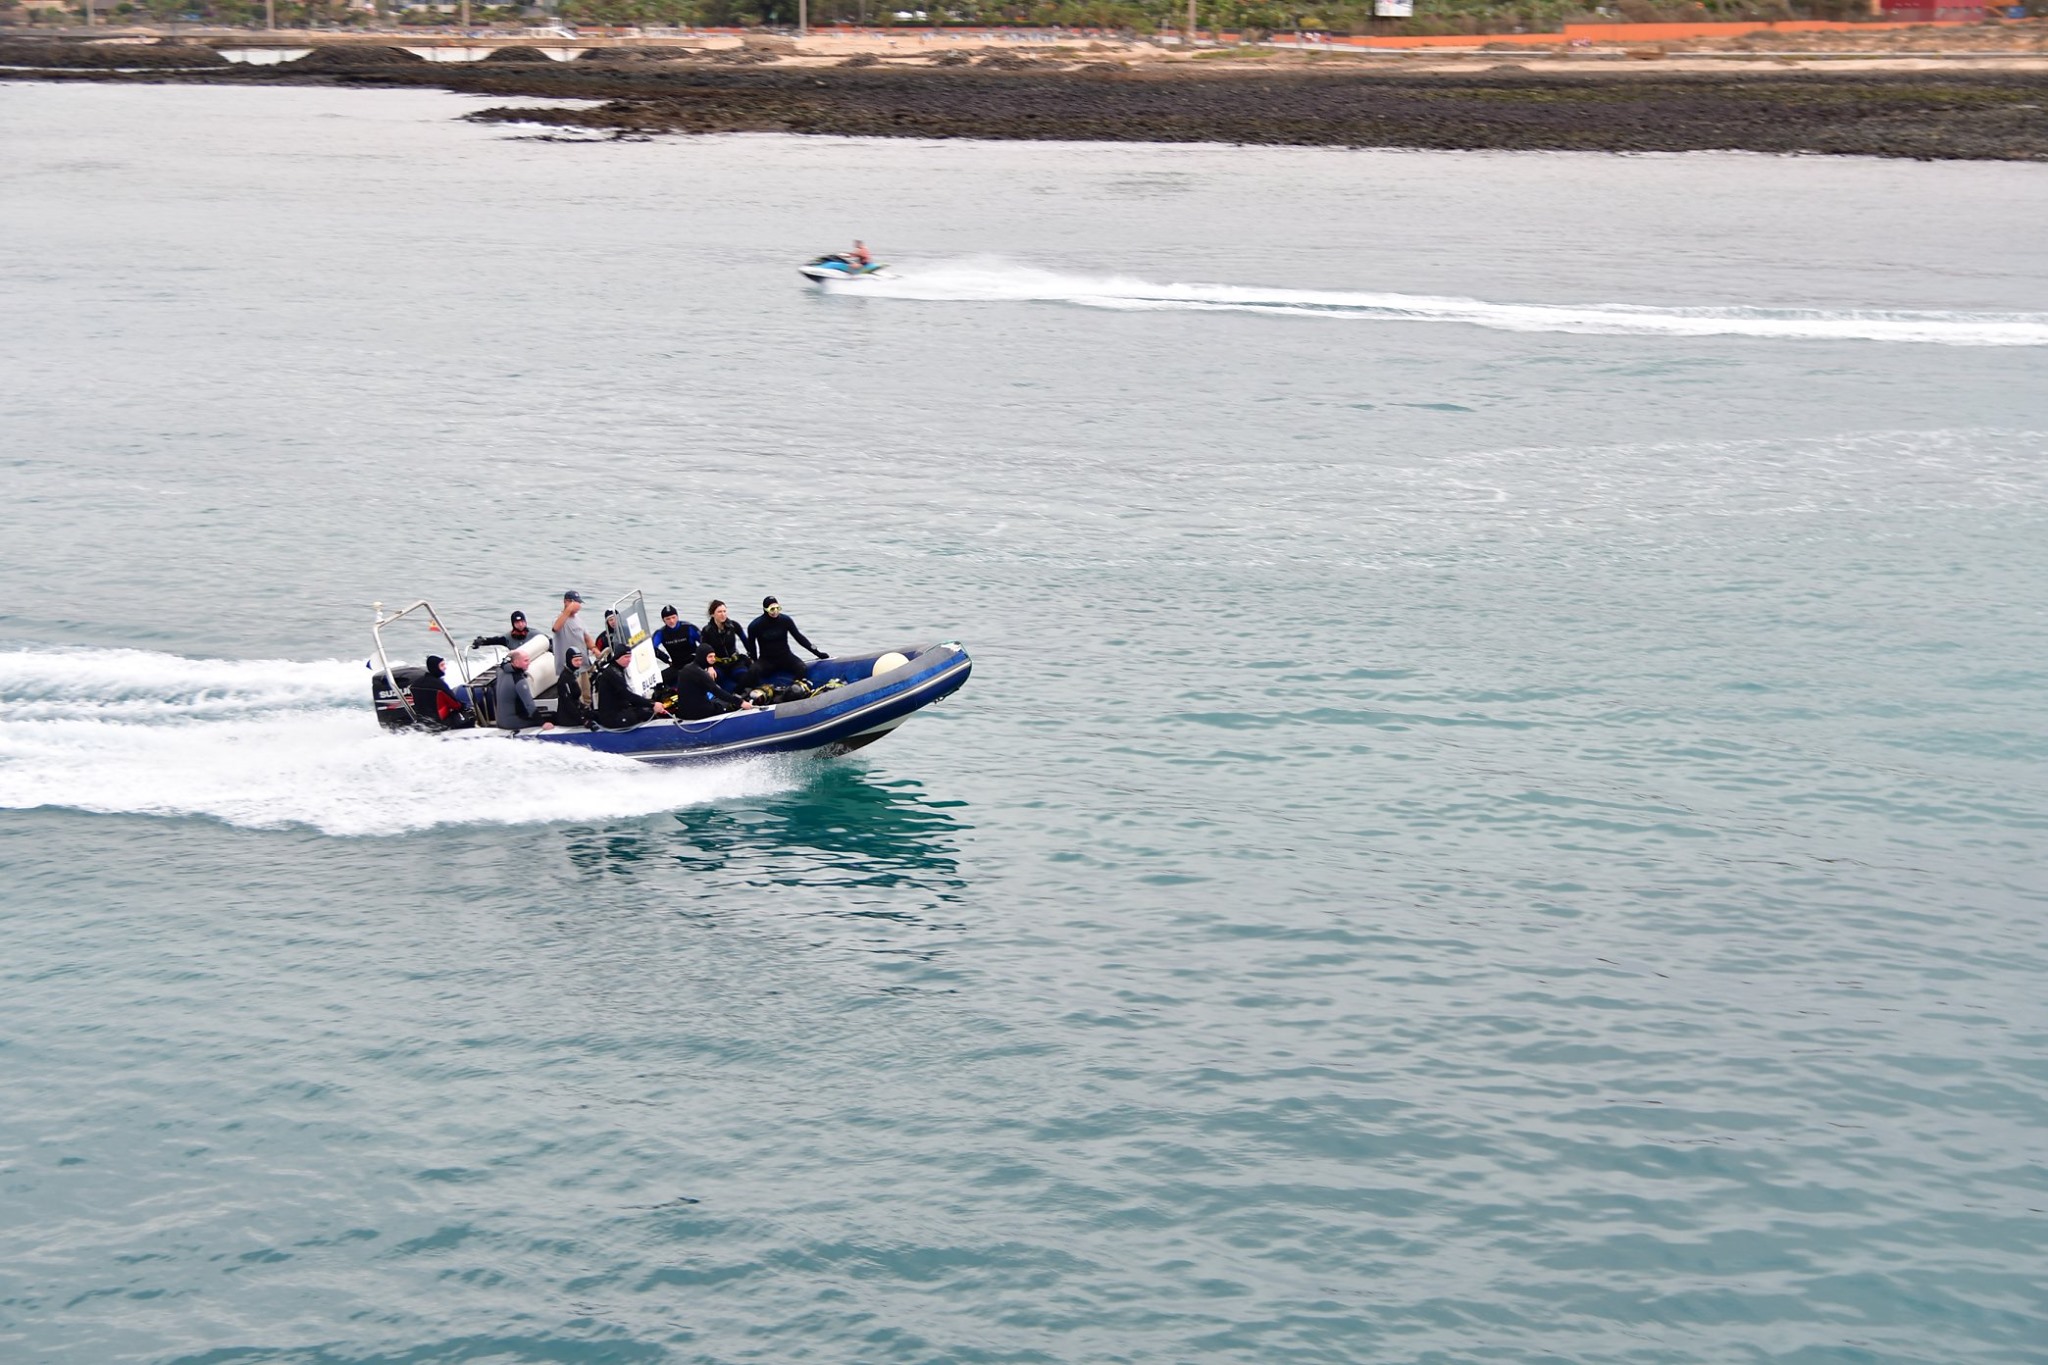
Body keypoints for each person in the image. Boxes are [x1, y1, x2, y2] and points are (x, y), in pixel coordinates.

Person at [747, 595, 829, 682]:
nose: (775, 612)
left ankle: (794, 689)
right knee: (753, 671)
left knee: (802, 668)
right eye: (772, 609)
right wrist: (755, 662)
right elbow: (752, 647)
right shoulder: (755, 626)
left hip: (785, 657)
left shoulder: (785, 620)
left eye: (777, 608)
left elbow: (800, 638)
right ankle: (738, 694)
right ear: (765, 609)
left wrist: (818, 653)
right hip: (766, 660)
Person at [595, 641, 670, 729]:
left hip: (620, 709)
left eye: (630, 657)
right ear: (617, 657)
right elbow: (627, 695)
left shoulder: (618, 669)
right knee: (646, 713)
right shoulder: (613, 673)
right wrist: (652, 704)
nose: (629, 660)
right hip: (612, 718)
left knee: (647, 712)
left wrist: (649, 704)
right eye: (626, 657)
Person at [671, 646, 755, 721]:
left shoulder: (686, 669)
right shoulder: (701, 673)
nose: (713, 659)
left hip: (683, 713)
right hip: (698, 714)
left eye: (714, 656)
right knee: (727, 705)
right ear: (702, 657)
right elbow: (718, 692)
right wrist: (741, 702)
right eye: (710, 657)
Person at [410, 655, 474, 729]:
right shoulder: (440, 685)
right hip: (441, 722)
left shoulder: (415, 684)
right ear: (435, 667)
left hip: (423, 721)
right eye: (442, 665)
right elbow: (456, 705)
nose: (445, 667)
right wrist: (465, 706)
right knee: (470, 716)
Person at [491, 652, 549, 732]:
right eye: (525, 661)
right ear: (516, 663)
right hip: (513, 723)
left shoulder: (500, 671)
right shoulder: (519, 681)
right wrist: (542, 723)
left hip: (500, 722)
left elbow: (503, 664)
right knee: (550, 718)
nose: (529, 663)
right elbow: (529, 705)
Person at [701, 599, 751, 689]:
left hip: (735, 661)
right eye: (719, 612)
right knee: (715, 678)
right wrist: (709, 667)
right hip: (718, 664)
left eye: (724, 611)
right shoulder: (707, 630)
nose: (723, 614)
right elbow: (702, 650)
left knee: (744, 676)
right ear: (712, 614)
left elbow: (745, 641)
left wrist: (752, 656)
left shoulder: (734, 625)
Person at [550, 590, 597, 682]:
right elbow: (556, 628)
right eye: (575, 602)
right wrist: (569, 609)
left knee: (586, 693)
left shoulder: (579, 619)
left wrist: (594, 648)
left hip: (583, 665)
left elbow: (586, 637)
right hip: (568, 669)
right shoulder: (558, 619)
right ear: (566, 602)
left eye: (578, 603)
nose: (578, 606)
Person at [652, 604, 700, 688]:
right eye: (668, 619)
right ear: (663, 620)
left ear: (677, 617)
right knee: (657, 681)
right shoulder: (661, 633)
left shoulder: (689, 628)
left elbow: (705, 643)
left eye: (673, 617)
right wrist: (666, 659)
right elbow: (651, 648)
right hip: (676, 665)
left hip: (694, 663)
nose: (671, 621)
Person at [554, 647, 590, 728]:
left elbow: (575, 700)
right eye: (576, 660)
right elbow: (568, 703)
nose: (579, 663)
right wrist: (583, 720)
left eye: (580, 660)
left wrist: (584, 708)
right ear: (569, 660)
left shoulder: (571, 675)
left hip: (575, 713)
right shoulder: (565, 678)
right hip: (568, 720)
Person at [472, 610, 538, 653]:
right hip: (518, 664)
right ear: (513, 624)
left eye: (522, 622)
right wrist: (481, 641)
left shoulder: (534, 634)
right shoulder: (508, 637)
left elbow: (547, 640)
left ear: (526, 622)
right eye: (517, 623)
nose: (520, 625)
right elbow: (494, 640)